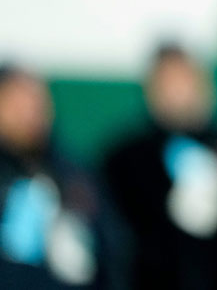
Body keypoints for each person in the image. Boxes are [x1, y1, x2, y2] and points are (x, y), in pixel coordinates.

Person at [100, 44, 217, 290]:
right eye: (168, 83)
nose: (179, 92)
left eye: (185, 80)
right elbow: (112, 232)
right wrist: (165, 226)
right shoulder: (126, 158)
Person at [0, 64, 127, 289]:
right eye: (15, 104)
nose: (29, 115)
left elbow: (113, 244)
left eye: (35, 103)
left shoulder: (75, 173)